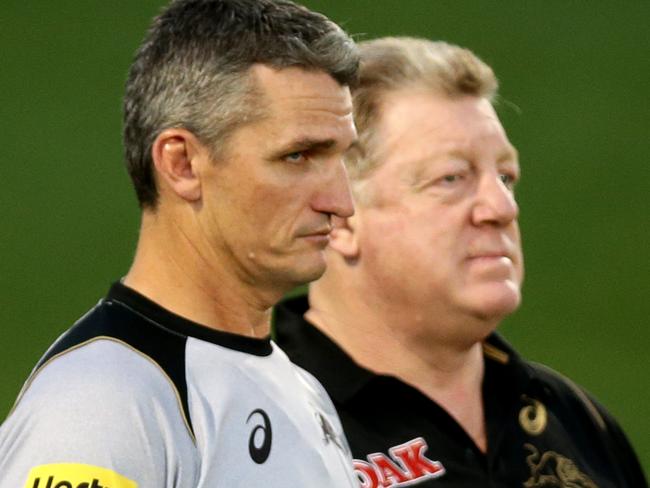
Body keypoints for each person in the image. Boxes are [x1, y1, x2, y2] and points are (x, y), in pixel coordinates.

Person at [0, 1, 361, 486]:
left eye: (341, 157)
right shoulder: (103, 404)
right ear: (182, 164)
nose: (341, 201)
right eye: (298, 155)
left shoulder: (304, 392)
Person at [274, 37, 647, 487]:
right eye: (452, 178)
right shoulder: (264, 429)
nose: (501, 207)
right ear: (343, 217)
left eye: (505, 177)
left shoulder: (574, 420)